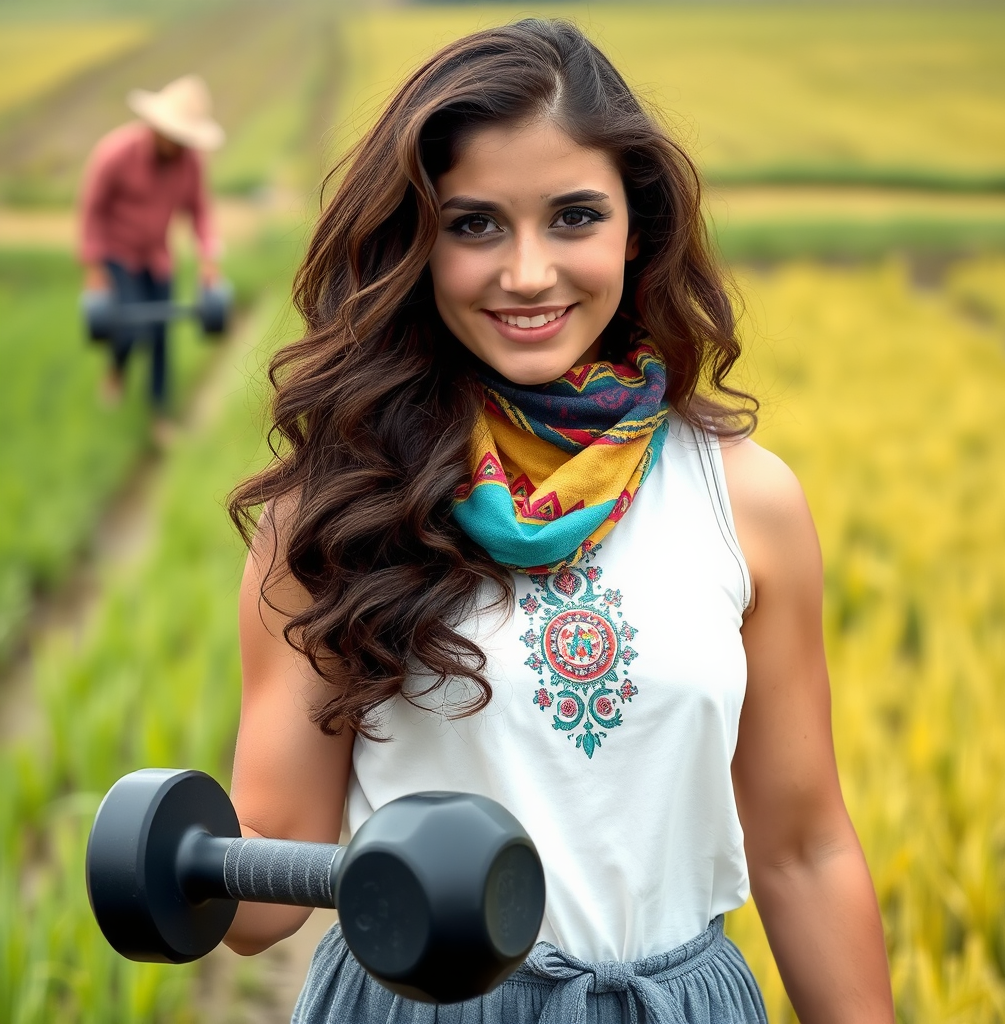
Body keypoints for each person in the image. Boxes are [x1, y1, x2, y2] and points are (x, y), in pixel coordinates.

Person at [224, 20, 895, 1024]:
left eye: (574, 217)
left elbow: (803, 848)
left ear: (639, 228)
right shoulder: (334, 512)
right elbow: (264, 890)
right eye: (475, 224)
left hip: (677, 1005)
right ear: (416, 242)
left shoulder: (743, 500)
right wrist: (179, 859)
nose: (529, 272)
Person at [78, 74, 224, 434]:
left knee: (160, 335)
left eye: (184, 137)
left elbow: (201, 213)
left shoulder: (191, 164)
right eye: (173, 134)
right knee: (130, 329)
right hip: (117, 254)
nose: (177, 143)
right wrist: (94, 269)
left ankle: (159, 415)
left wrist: (208, 260)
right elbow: (92, 210)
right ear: (157, 125)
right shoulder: (114, 153)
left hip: (157, 258)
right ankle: (116, 370)